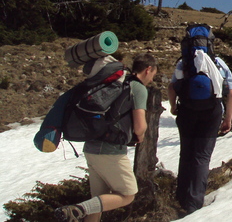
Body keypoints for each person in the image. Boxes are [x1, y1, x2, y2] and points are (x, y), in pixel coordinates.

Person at [55, 53, 158, 222]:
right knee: (128, 194)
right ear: (148, 69)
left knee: (97, 201)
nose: (153, 79)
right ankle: (78, 210)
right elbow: (140, 126)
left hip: (91, 147)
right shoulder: (138, 88)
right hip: (110, 151)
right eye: (153, 74)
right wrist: (140, 135)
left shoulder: (117, 83)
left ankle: (83, 211)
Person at [168, 51, 232, 215]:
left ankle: (181, 196)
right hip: (212, 114)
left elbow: (172, 87)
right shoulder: (219, 63)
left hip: (186, 111)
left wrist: (173, 106)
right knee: (202, 156)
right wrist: (227, 119)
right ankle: (194, 204)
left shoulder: (184, 62)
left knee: (186, 153)